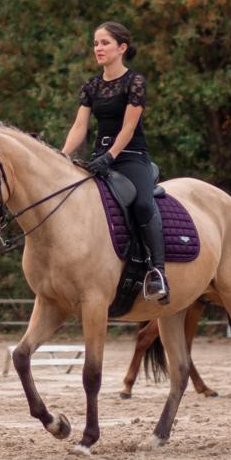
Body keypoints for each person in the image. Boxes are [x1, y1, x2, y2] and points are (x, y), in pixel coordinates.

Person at [61, 22, 167, 304]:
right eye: (96, 43)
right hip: (99, 159)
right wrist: (62, 156)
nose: (98, 48)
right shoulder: (91, 86)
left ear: (121, 48)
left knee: (144, 204)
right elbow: (79, 127)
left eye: (105, 43)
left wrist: (111, 157)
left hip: (132, 157)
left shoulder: (135, 83)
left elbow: (129, 128)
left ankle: (157, 271)